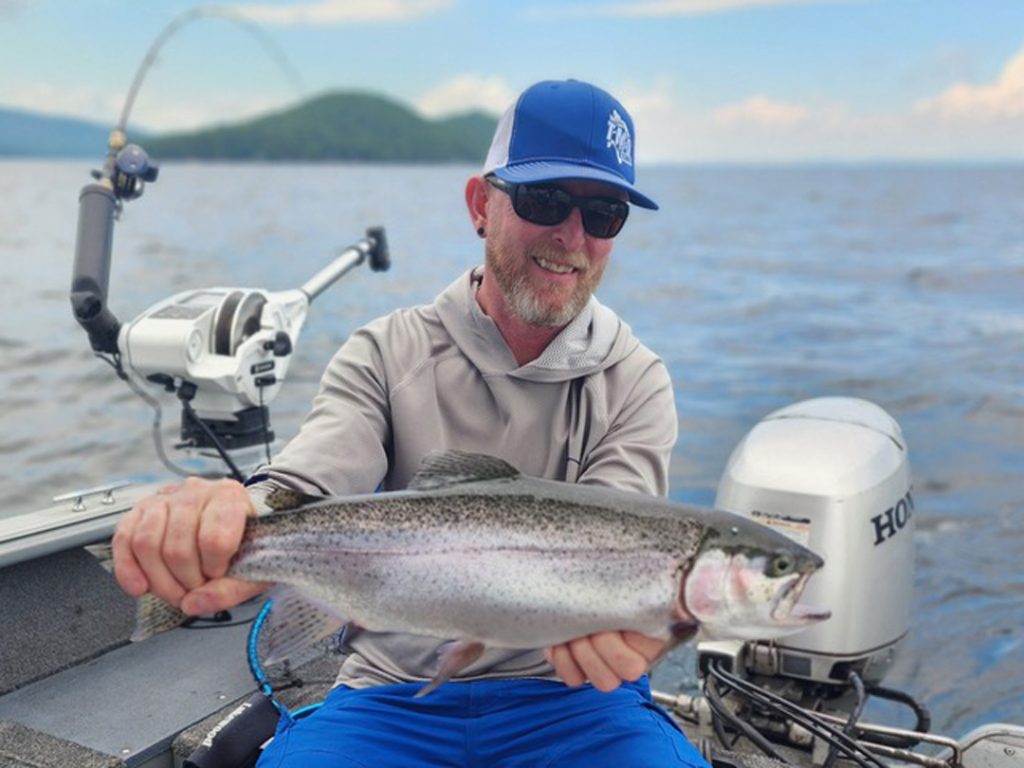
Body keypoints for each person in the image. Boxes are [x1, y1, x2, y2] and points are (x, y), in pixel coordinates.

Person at [112, 79, 708, 768]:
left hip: (575, 696)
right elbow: (306, 483)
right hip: (391, 692)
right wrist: (225, 518)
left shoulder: (634, 380)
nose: (572, 237)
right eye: (546, 202)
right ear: (481, 205)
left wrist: (652, 626)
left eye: (604, 213)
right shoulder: (385, 351)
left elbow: (627, 546)